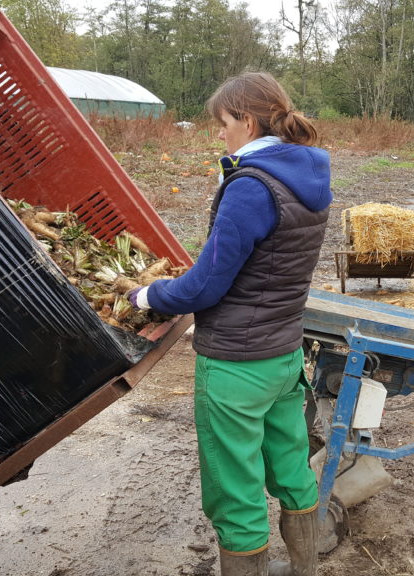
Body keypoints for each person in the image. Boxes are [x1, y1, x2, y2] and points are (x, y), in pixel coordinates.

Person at [128, 71, 331, 576]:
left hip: (236, 367)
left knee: (234, 492)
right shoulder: (308, 173)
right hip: (285, 356)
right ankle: (307, 569)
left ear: (246, 118)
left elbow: (204, 288)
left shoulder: (251, 186)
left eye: (222, 123)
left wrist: (147, 293)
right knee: (291, 467)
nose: (219, 133)